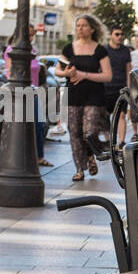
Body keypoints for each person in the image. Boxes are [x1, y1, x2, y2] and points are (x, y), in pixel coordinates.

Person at [55, 14, 111, 181]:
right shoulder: (68, 48)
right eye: (78, 25)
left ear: (92, 29)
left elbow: (107, 76)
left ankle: (94, 152)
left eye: (84, 25)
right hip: (73, 95)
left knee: (90, 131)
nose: (80, 28)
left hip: (94, 96)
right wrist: (67, 73)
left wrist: (84, 74)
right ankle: (80, 168)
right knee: (75, 133)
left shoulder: (100, 50)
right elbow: (57, 70)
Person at [4, 26, 51, 167]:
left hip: (33, 91)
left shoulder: (32, 50)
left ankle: (39, 157)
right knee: (21, 126)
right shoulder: (11, 50)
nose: (30, 38)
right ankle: (22, 157)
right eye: (28, 35)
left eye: (32, 36)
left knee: (39, 125)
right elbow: (8, 71)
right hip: (19, 92)